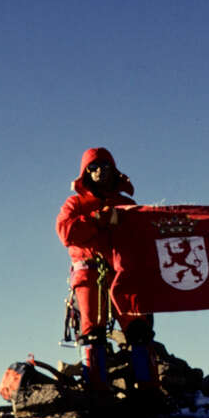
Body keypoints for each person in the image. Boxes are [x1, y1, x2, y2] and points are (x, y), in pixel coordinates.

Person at [55, 147, 160, 394]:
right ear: (85, 173)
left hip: (125, 275)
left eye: (104, 166)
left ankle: (149, 392)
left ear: (114, 170)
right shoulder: (75, 204)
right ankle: (97, 395)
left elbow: (144, 239)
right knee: (92, 333)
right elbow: (66, 232)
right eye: (93, 167)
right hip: (90, 274)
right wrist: (97, 219)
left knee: (140, 332)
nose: (99, 171)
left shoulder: (127, 206)